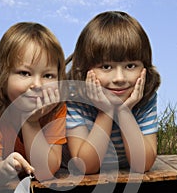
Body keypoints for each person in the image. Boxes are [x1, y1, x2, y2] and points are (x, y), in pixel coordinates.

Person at [0, 22, 67, 185]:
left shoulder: (55, 108)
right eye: (25, 73)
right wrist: (3, 168)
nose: (37, 85)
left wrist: (31, 121)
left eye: (48, 76)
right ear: (2, 75)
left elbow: (46, 171)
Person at [65, 11, 161, 174]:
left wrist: (124, 112)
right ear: (85, 70)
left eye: (130, 66)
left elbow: (142, 165)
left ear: (144, 68)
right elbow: (85, 167)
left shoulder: (144, 96)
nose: (119, 78)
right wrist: (106, 112)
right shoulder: (75, 98)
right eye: (106, 67)